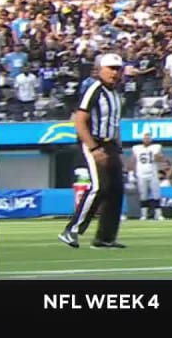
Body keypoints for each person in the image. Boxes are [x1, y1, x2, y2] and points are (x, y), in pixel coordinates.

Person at [59, 54, 126, 249]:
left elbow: (115, 124)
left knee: (116, 190)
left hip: (110, 144)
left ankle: (105, 237)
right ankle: (71, 230)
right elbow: (79, 121)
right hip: (94, 142)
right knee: (100, 187)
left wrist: (119, 149)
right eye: (111, 68)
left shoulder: (115, 93)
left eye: (118, 69)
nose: (115, 73)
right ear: (101, 70)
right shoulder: (94, 90)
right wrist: (94, 148)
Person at [128, 130, 169, 220]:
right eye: (145, 137)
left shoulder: (156, 147)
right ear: (142, 138)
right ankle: (144, 215)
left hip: (153, 173)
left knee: (156, 194)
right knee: (143, 195)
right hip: (141, 174)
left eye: (148, 136)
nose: (147, 138)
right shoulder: (136, 148)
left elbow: (160, 158)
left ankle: (158, 214)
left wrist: (158, 156)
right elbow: (133, 160)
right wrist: (132, 172)